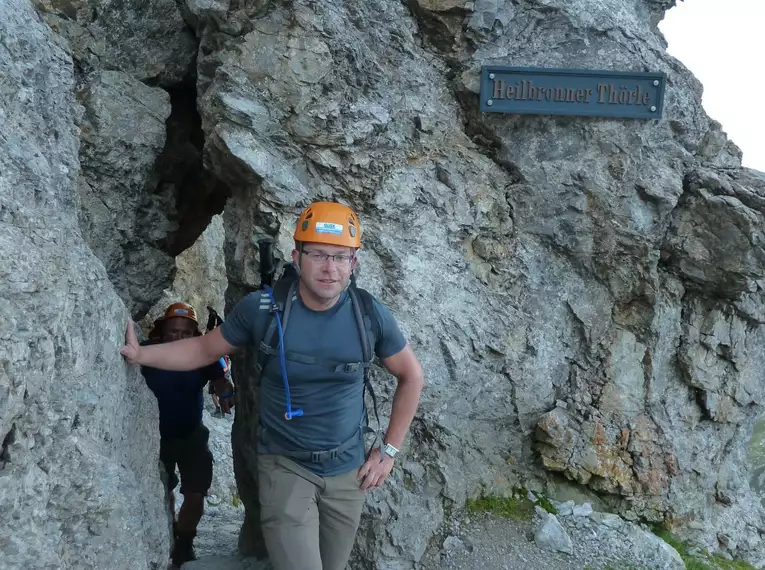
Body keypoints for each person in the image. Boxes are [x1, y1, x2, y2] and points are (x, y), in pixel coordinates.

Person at [121, 202, 425, 570]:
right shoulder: (263, 309)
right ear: (297, 257)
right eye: (318, 255)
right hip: (285, 467)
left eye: (341, 257)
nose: (330, 268)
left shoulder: (368, 314)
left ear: (354, 263)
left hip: (348, 471)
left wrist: (389, 452)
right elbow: (203, 349)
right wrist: (142, 355)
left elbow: (411, 376)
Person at [140, 302, 236, 567]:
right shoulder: (147, 352)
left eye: (184, 333)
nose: (177, 338)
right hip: (153, 437)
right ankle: (168, 532)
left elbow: (220, 380)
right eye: (172, 331)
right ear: (161, 332)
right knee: (164, 490)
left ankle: (185, 542)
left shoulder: (203, 356)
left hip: (192, 435)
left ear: (194, 335)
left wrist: (225, 392)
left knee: (195, 493)